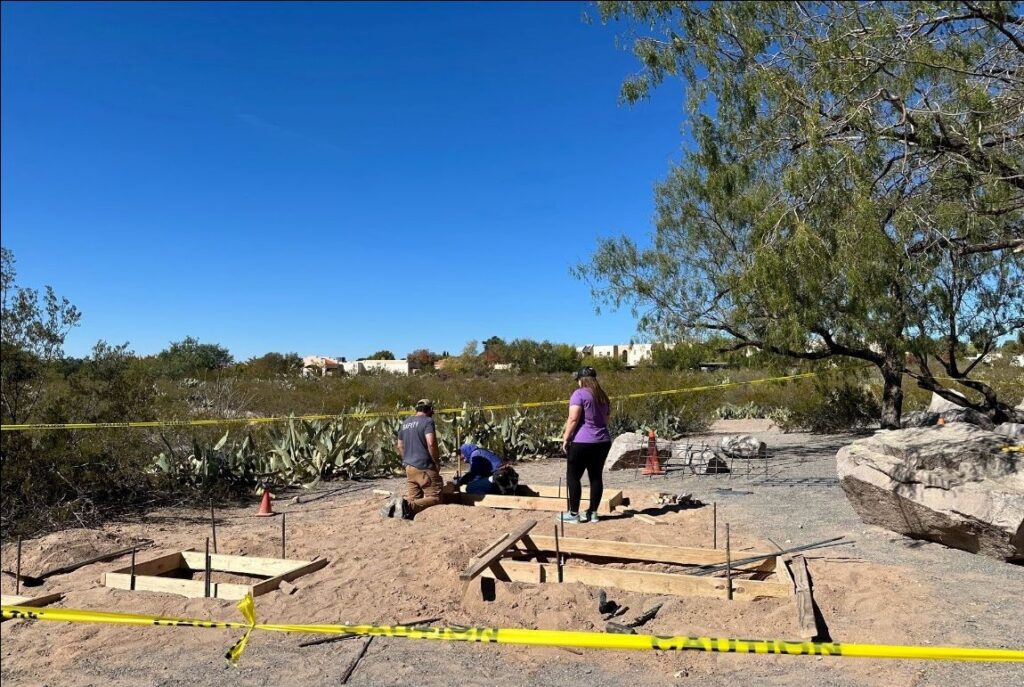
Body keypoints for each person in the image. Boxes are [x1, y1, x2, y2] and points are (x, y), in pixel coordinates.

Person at [559, 366, 612, 524]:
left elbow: (573, 419)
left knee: (573, 476)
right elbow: (606, 420)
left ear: (582, 379)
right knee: (595, 477)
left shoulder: (579, 394)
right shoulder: (603, 396)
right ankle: (593, 512)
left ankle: (573, 513)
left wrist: (566, 438)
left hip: (582, 441)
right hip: (602, 441)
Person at [384, 398, 442, 519]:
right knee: (436, 498)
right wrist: (436, 460)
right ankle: (407, 506)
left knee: (414, 499)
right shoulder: (427, 421)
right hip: (424, 467)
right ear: (430, 409)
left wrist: (406, 461)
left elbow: (400, 445)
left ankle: (398, 507)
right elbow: (431, 442)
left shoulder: (405, 423)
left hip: (409, 468)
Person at [452, 443, 520, 495]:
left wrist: (461, 481)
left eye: (462, 455)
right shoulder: (480, 452)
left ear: (466, 451)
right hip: (507, 476)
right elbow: (478, 474)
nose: (462, 459)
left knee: (470, 488)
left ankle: (491, 500)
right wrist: (463, 479)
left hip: (501, 478)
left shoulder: (475, 455)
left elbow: (475, 475)